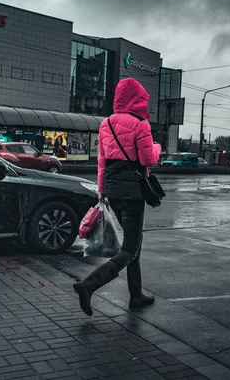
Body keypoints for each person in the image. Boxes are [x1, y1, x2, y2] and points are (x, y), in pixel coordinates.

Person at [73, 78, 161, 316]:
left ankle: (136, 295)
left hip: (112, 189)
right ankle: (88, 285)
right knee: (131, 248)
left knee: (134, 244)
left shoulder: (106, 123)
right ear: (138, 98)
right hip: (133, 191)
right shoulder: (140, 124)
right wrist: (157, 147)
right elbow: (147, 160)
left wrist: (102, 190)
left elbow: (101, 162)